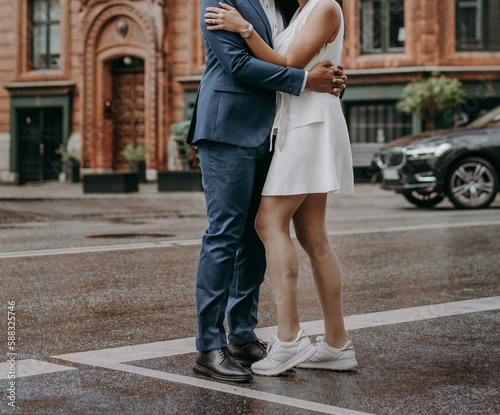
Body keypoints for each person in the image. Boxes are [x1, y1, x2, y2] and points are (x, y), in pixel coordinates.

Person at [186, 0, 347, 382]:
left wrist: (325, 75)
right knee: (225, 233)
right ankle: (209, 346)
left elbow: (298, 52)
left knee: (256, 236)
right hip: (228, 127)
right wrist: (306, 81)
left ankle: (242, 335)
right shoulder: (221, 2)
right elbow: (238, 65)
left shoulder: (289, 6)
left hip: (274, 133)